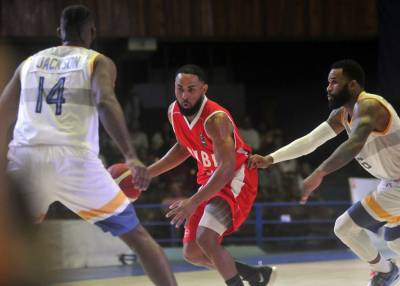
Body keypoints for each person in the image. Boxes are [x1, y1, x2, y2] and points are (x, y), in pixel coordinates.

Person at [0, 5, 177, 286]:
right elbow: (105, 101)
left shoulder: (28, 63)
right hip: (75, 161)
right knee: (138, 237)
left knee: (9, 245)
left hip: (26, 158)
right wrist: (130, 156)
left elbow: (3, 113)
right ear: (92, 32)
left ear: (59, 32)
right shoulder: (97, 61)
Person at [249, 59, 400, 286]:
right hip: (391, 183)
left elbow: (354, 144)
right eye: (328, 83)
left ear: (353, 85)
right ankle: (386, 270)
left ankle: (386, 271)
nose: (328, 88)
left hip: (396, 185)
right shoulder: (342, 115)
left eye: (334, 82)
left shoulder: (369, 105)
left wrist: (319, 173)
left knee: (345, 227)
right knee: (394, 241)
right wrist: (271, 158)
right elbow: (311, 141)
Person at [148, 64, 276, 286]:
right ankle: (255, 275)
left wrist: (193, 201)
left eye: (191, 89)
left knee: (205, 238)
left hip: (237, 177)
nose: (184, 95)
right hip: (210, 179)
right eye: (179, 89)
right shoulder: (174, 112)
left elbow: (226, 168)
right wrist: (148, 173)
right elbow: (183, 147)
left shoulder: (215, 120)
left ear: (204, 89)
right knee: (192, 252)